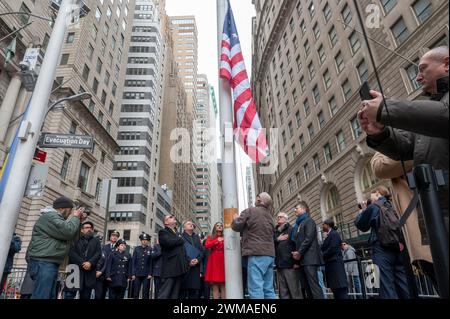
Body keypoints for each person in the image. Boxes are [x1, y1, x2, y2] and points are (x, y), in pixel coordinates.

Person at [358, 47, 449, 232]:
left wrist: (386, 108)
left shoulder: (438, 111)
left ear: (446, 64)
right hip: (439, 213)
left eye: (423, 68)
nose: (418, 77)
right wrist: (379, 132)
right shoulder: (432, 110)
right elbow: (404, 147)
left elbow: (445, 115)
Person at [371, 153, 436, 288]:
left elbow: (380, 166)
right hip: (417, 236)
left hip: (423, 231)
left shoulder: (376, 207)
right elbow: (378, 165)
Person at [355, 186, 411, 299]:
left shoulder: (374, 207)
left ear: (377, 193)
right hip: (398, 248)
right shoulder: (393, 205)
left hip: (381, 250)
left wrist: (363, 210)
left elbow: (360, 224)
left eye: (371, 195)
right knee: (404, 285)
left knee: (386, 286)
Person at [26, 196, 84, 299]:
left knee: (49, 296)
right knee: (42, 296)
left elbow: (72, 239)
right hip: (43, 262)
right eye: (69, 210)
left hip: (49, 263)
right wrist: (75, 217)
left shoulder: (56, 219)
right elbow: (68, 232)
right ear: (62, 208)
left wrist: (78, 221)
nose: (71, 213)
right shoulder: (49, 217)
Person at [231, 192, 276, 299]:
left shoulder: (250, 210)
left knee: (255, 287)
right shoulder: (270, 216)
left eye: (257, 197)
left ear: (259, 200)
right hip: (269, 255)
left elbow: (237, 226)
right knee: (268, 288)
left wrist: (235, 219)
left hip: (257, 254)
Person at [291, 201, 324, 299]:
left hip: (310, 259)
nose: (295, 210)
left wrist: (299, 252)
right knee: (307, 287)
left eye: (296, 208)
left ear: (303, 209)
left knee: (314, 286)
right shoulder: (299, 224)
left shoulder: (309, 221)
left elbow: (309, 238)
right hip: (302, 260)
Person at [64, 221, 101, 299]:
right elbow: (72, 253)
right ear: (81, 230)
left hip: (89, 273)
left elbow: (98, 254)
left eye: (91, 228)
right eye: (87, 227)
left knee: (86, 295)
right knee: (69, 295)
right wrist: (83, 263)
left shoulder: (96, 241)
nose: (89, 229)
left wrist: (90, 263)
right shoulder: (75, 239)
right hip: (75, 271)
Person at [157, 215, 189, 299]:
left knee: (175, 294)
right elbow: (168, 242)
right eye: (171, 217)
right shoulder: (163, 232)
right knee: (165, 293)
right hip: (170, 267)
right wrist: (180, 239)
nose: (174, 217)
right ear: (166, 222)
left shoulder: (177, 233)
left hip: (179, 267)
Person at [274, 212, 302, 299]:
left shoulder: (291, 229)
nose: (278, 218)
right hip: (279, 265)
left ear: (286, 219)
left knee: (294, 291)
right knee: (283, 292)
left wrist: (296, 262)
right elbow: (271, 245)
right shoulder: (275, 232)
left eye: (281, 217)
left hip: (290, 265)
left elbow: (296, 245)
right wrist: (277, 239)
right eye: (278, 217)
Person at [321, 219, 348, 299]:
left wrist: (322, 255)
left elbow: (333, 249)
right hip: (331, 266)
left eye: (323, 224)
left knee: (340, 290)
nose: (322, 226)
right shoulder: (329, 235)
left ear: (327, 225)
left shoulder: (334, 234)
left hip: (335, 266)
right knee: (336, 290)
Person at [181, 220, 204, 299]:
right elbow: (180, 252)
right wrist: (189, 261)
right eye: (188, 224)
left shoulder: (196, 237)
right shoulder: (180, 237)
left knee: (194, 293)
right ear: (184, 227)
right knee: (182, 292)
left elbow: (201, 251)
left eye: (192, 224)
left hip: (195, 268)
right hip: (185, 267)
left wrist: (198, 260)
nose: (191, 225)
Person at [95, 230, 120, 299]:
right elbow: (100, 260)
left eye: (116, 236)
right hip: (102, 275)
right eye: (113, 235)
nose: (114, 237)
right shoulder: (104, 247)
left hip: (112, 276)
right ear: (110, 237)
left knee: (112, 295)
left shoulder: (118, 249)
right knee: (99, 295)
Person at [204, 222, 226, 299]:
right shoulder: (211, 237)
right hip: (214, 261)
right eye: (217, 225)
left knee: (223, 285)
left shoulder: (226, 236)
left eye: (221, 225)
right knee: (215, 285)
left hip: (224, 260)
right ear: (215, 228)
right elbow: (207, 245)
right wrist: (217, 241)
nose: (219, 227)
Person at [131, 233, 152, 299]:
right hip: (137, 274)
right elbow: (133, 262)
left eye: (146, 240)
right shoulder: (137, 249)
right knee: (136, 292)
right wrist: (133, 273)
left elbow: (151, 262)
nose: (144, 241)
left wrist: (150, 273)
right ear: (141, 240)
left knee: (145, 292)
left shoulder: (150, 249)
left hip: (146, 274)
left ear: (148, 241)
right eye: (143, 240)